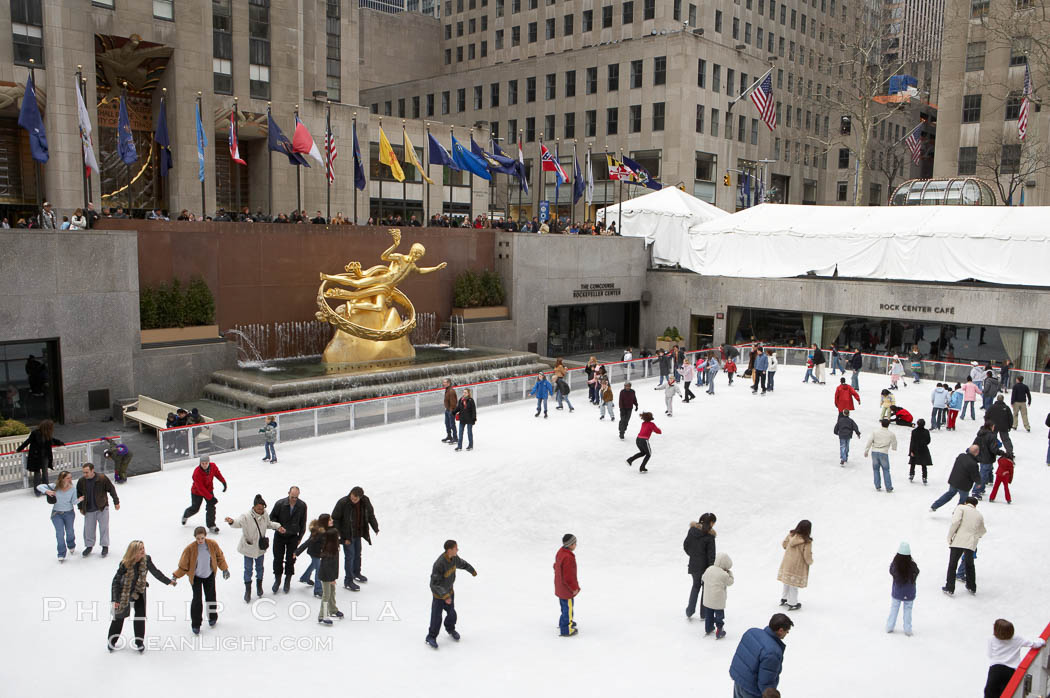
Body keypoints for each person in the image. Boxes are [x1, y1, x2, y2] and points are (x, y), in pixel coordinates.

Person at [107, 540, 176, 652]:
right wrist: (115, 599)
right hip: (124, 592)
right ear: (133, 552)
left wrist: (169, 581)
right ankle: (112, 641)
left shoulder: (147, 560)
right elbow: (115, 581)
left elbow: (156, 572)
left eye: (143, 548)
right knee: (119, 617)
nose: (143, 551)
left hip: (139, 591)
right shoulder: (125, 563)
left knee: (140, 617)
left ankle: (139, 642)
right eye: (140, 549)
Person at [225, 494, 285, 603]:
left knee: (260, 568)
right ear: (254, 507)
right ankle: (248, 590)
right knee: (248, 569)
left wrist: (277, 527)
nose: (261, 510)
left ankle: (259, 586)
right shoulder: (246, 516)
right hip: (248, 547)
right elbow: (237, 523)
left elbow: (268, 524)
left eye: (262, 508)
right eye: (259, 508)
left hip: (260, 548)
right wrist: (231, 521)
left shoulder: (265, 515)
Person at [172, 526, 230, 634]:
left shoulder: (212, 544)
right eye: (198, 538)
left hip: (209, 575)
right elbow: (183, 566)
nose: (200, 541)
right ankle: (196, 624)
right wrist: (175, 576)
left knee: (211, 597)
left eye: (202, 538)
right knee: (197, 600)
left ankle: (212, 617)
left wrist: (225, 569)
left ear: (205, 536)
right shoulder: (190, 549)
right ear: (195, 537)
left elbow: (219, 557)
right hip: (196, 578)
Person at [425, 539, 477, 649]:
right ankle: (431, 637)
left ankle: (450, 629)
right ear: (449, 550)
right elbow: (434, 584)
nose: (457, 550)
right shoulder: (439, 564)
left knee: (452, 613)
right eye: (455, 548)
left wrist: (472, 570)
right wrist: (445, 596)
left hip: (450, 592)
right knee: (436, 617)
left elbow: (463, 564)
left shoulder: (454, 558)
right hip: (439, 596)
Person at [728, 613, 794, 698]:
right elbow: (766, 682)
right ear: (780, 630)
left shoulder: (752, 632)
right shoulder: (772, 652)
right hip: (752, 692)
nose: (787, 633)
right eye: (787, 631)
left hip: (739, 683)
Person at [984, 620, 1047, 698]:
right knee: (1007, 692)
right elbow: (1033, 644)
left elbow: (989, 655)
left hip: (995, 669)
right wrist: (1042, 641)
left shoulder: (991, 639)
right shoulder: (1017, 638)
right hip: (1011, 670)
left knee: (990, 691)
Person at [332, 485, 379, 590]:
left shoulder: (365, 501)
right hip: (347, 535)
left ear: (360, 497)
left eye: (355, 499)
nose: (353, 500)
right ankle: (348, 581)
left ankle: (356, 573)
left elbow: (370, 514)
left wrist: (375, 527)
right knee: (349, 556)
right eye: (352, 497)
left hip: (358, 533)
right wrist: (341, 536)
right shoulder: (343, 502)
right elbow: (335, 519)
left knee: (357, 554)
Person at [943, 497, 985, 596]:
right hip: (971, 543)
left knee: (953, 564)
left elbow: (955, 522)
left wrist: (950, 536)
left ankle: (950, 588)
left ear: (966, 502)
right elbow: (982, 531)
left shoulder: (961, 508)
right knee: (969, 565)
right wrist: (975, 536)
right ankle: (972, 587)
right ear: (975, 505)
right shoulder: (979, 515)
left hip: (959, 541)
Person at [76, 462, 120, 557]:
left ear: (92, 470)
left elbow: (111, 489)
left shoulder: (102, 478)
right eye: (84, 472)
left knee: (104, 527)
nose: (85, 474)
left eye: (87, 472)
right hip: (88, 509)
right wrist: (80, 507)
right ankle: (89, 546)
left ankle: (105, 546)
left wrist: (116, 501)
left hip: (102, 507)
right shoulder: (81, 481)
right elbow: (79, 494)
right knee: (88, 529)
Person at [269, 486, 307, 593]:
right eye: (292, 496)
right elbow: (272, 518)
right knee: (277, 558)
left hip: (293, 536)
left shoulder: (302, 506)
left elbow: (303, 523)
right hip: (280, 536)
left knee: (291, 559)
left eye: (296, 497)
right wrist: (278, 527)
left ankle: (287, 580)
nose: (294, 499)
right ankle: (277, 580)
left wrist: (300, 537)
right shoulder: (280, 504)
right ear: (288, 493)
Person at [38, 470, 82, 560]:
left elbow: (73, 502)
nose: (70, 479)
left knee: (69, 531)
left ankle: (71, 544)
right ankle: (61, 553)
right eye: (68, 478)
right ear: (62, 479)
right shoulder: (54, 487)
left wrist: (79, 499)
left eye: (70, 477)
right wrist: (47, 491)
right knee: (60, 533)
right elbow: (39, 486)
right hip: (56, 514)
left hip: (69, 513)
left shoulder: (73, 489)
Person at [684, 513, 717, 619]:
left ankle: (689, 611)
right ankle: (704, 614)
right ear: (711, 522)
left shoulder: (692, 531)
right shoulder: (710, 536)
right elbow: (711, 555)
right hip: (705, 567)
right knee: (705, 589)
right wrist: (711, 567)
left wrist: (693, 556)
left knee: (695, 586)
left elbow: (686, 546)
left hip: (693, 565)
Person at [181, 456, 227, 533]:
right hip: (197, 492)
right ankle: (186, 515)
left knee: (211, 507)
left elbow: (217, 474)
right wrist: (210, 498)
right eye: (203, 463)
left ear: (209, 462)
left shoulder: (213, 466)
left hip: (209, 489)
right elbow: (200, 488)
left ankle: (211, 525)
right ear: (200, 463)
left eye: (206, 463)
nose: (205, 465)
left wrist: (223, 482)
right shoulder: (197, 472)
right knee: (195, 508)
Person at [18, 419, 64, 494]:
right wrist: (19, 449)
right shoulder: (35, 433)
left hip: (44, 456)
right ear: (48, 427)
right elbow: (27, 442)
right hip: (36, 457)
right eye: (51, 427)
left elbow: (52, 440)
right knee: (37, 473)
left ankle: (45, 490)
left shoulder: (47, 434)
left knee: (45, 473)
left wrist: (60, 442)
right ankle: (38, 490)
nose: (52, 429)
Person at [931, 445, 982, 512]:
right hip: (964, 486)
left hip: (954, 481)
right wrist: (979, 482)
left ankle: (934, 506)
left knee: (949, 494)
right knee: (963, 500)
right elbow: (975, 475)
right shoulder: (973, 464)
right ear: (977, 452)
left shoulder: (961, 456)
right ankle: (957, 514)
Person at [777, 520, 813, 611]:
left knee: (786, 582)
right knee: (793, 585)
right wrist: (810, 561)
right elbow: (807, 556)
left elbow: (784, 544)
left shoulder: (791, 535)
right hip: (797, 566)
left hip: (787, 563)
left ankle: (784, 598)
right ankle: (792, 603)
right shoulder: (806, 541)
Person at [294, 513, 330, 597]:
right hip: (315, 553)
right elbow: (308, 542)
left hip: (319, 552)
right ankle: (318, 590)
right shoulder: (318, 532)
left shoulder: (327, 529)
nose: (332, 521)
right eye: (330, 520)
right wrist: (297, 552)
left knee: (314, 565)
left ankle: (304, 578)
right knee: (319, 569)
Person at [886, 542, 918, 636]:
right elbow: (916, 572)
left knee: (894, 609)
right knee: (908, 610)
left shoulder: (895, 564)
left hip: (897, 592)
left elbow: (891, 571)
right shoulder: (912, 565)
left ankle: (889, 626)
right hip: (910, 592)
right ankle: (908, 629)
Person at [701, 552, 734, 639]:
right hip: (718, 601)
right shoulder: (724, 574)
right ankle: (719, 630)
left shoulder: (709, 569)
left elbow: (703, 578)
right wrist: (729, 573)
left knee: (709, 615)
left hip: (708, 598)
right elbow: (730, 582)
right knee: (719, 616)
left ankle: (708, 628)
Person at [973, 419, 1007, 499]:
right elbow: (993, 449)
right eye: (993, 426)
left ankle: (981, 488)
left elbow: (975, 444)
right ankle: (976, 491)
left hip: (981, 457)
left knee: (984, 473)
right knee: (983, 475)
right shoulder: (991, 436)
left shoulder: (980, 434)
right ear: (991, 427)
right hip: (987, 458)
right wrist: (1002, 453)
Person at [554, 534, 580, 637]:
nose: (576, 545)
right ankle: (566, 629)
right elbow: (569, 577)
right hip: (566, 589)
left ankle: (564, 622)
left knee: (564, 606)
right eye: (574, 544)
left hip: (560, 586)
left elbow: (556, 566)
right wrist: (574, 588)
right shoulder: (568, 557)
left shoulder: (561, 552)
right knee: (568, 608)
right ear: (570, 545)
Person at [317, 528, 344, 625]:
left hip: (330, 575)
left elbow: (335, 565)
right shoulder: (329, 549)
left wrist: (333, 578)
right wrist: (331, 578)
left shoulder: (334, 547)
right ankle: (322, 615)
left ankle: (333, 609)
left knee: (332, 592)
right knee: (326, 595)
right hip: (326, 576)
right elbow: (327, 566)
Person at [864, 419, 898, 492]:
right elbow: (894, 442)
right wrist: (894, 448)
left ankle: (877, 486)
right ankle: (888, 487)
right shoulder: (891, 434)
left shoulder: (875, 432)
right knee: (886, 470)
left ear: (881, 424)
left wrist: (866, 451)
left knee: (876, 469)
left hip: (874, 452)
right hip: (884, 452)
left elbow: (870, 441)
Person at [908, 419, 932, 485]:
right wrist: (924, 444)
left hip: (915, 449)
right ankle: (924, 477)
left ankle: (911, 474)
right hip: (924, 449)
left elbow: (912, 442)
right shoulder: (926, 431)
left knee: (913, 463)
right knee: (924, 464)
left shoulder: (914, 431)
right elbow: (928, 440)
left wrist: (911, 451)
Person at [441, 378, 458, 444]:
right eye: (443, 382)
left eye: (445, 382)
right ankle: (449, 436)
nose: (443, 383)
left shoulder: (451, 391)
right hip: (447, 410)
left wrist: (451, 411)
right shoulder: (447, 390)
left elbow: (454, 403)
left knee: (452, 424)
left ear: (449, 383)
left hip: (451, 411)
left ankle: (455, 438)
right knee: (447, 423)